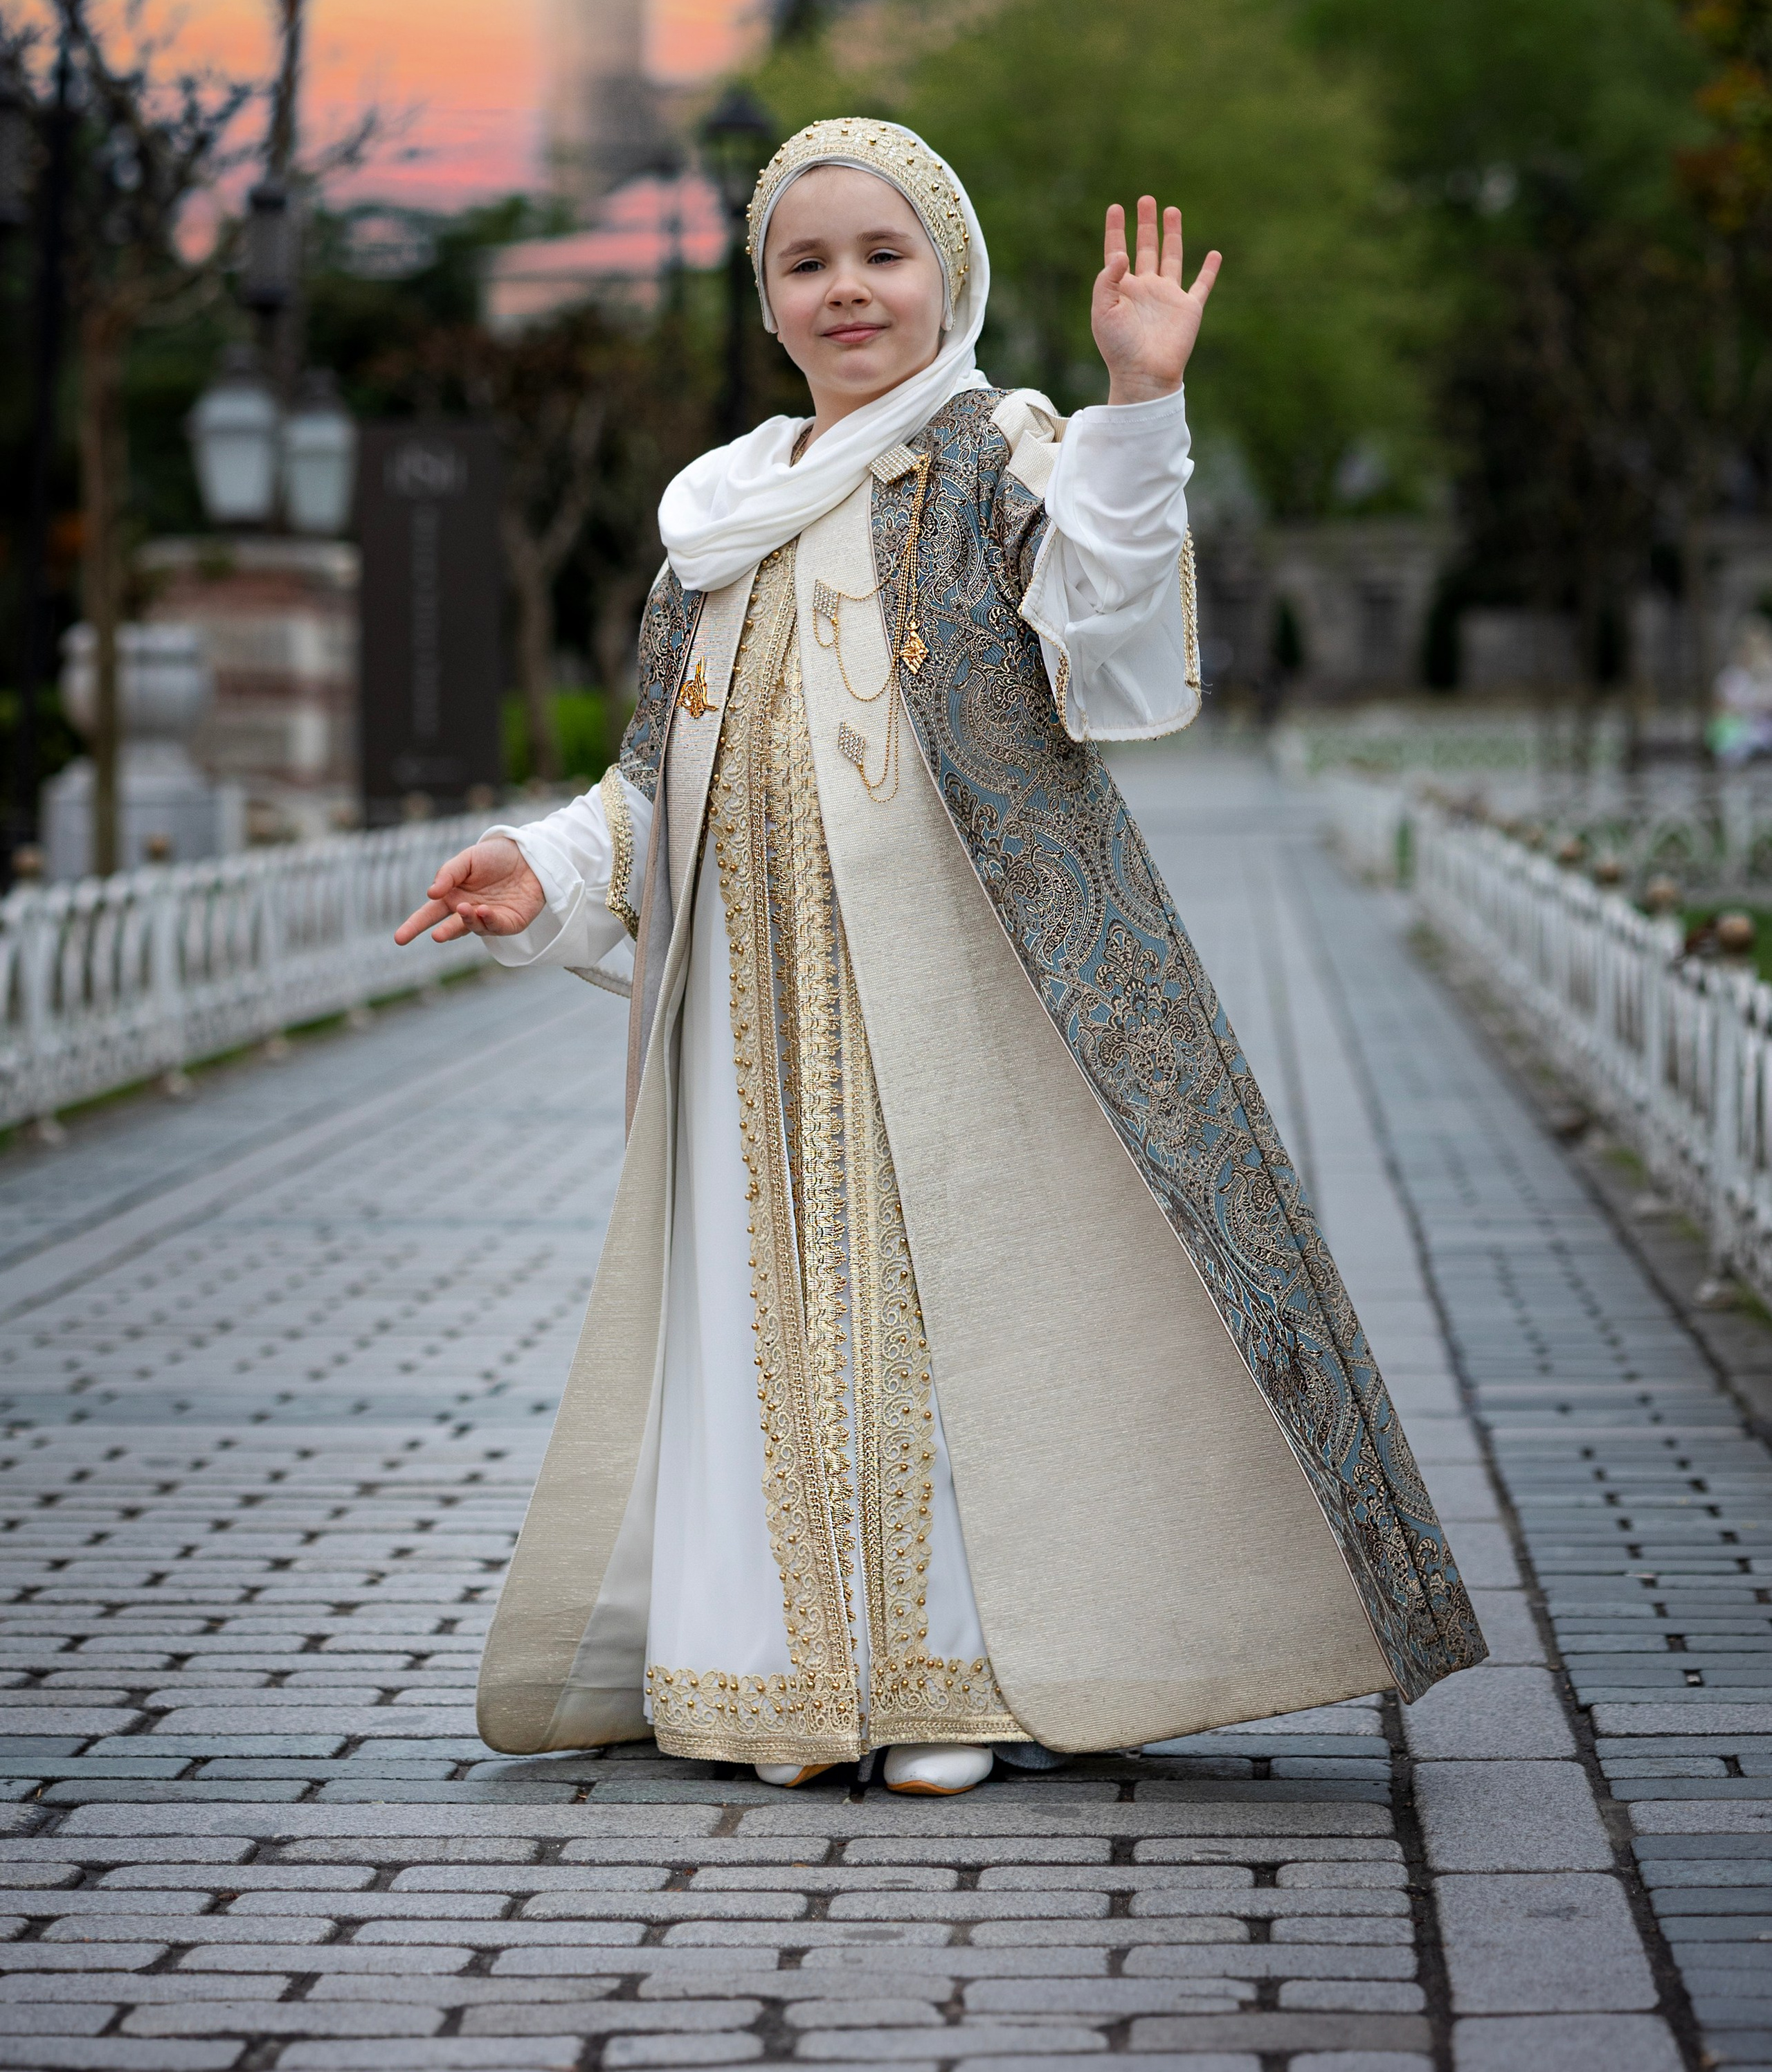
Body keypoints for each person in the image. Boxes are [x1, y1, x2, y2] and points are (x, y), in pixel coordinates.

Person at [396, 116, 1484, 1798]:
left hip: (965, 994)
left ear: (948, 274)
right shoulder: (718, 518)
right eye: (805, 262)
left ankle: (953, 1681)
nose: (846, 289)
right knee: (759, 1317)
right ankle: (775, 1678)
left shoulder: (997, 455)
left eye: (881, 253)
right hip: (751, 1018)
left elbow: (1106, 638)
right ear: (767, 299)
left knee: (964, 1316)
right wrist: (538, 862)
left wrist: (1139, 403)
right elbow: (653, 776)